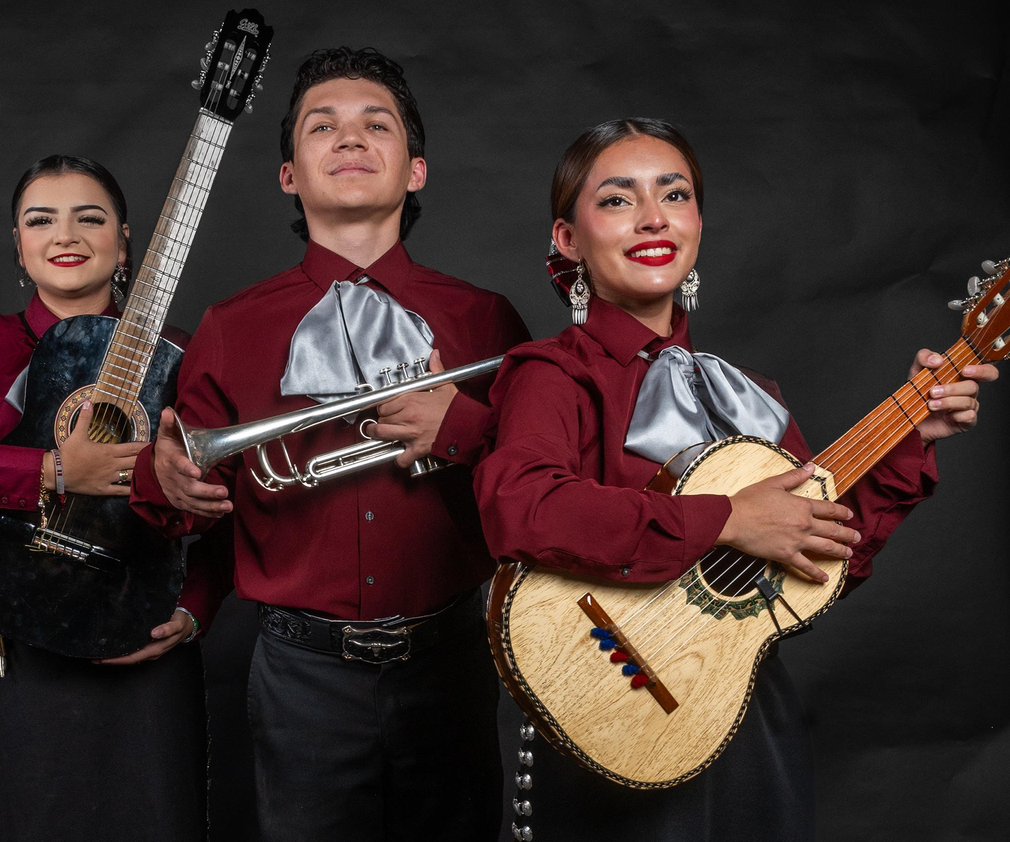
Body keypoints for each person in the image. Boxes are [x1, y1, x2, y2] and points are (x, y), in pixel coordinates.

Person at [473, 119, 998, 840]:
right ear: (568, 240)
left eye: (675, 194)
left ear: (697, 224)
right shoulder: (553, 373)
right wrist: (724, 519)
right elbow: (521, 508)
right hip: (607, 713)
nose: (654, 216)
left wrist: (910, 442)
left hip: (746, 719)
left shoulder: (749, 392)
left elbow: (814, 565)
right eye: (619, 200)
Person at [129, 47, 531, 842]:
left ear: (415, 170)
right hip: (301, 676)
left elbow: (536, 489)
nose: (350, 138)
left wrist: (458, 427)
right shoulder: (231, 325)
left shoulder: (485, 319)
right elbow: (185, 488)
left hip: (451, 658)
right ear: (289, 175)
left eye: (375, 124)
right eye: (324, 126)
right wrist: (161, 475)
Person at [0, 155, 228, 842]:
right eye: (41, 219)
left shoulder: (182, 355)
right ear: (19, 243)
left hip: (143, 639)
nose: (65, 234)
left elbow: (233, 503)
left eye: (89, 217)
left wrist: (193, 611)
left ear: (125, 242)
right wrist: (52, 471)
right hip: (20, 640)